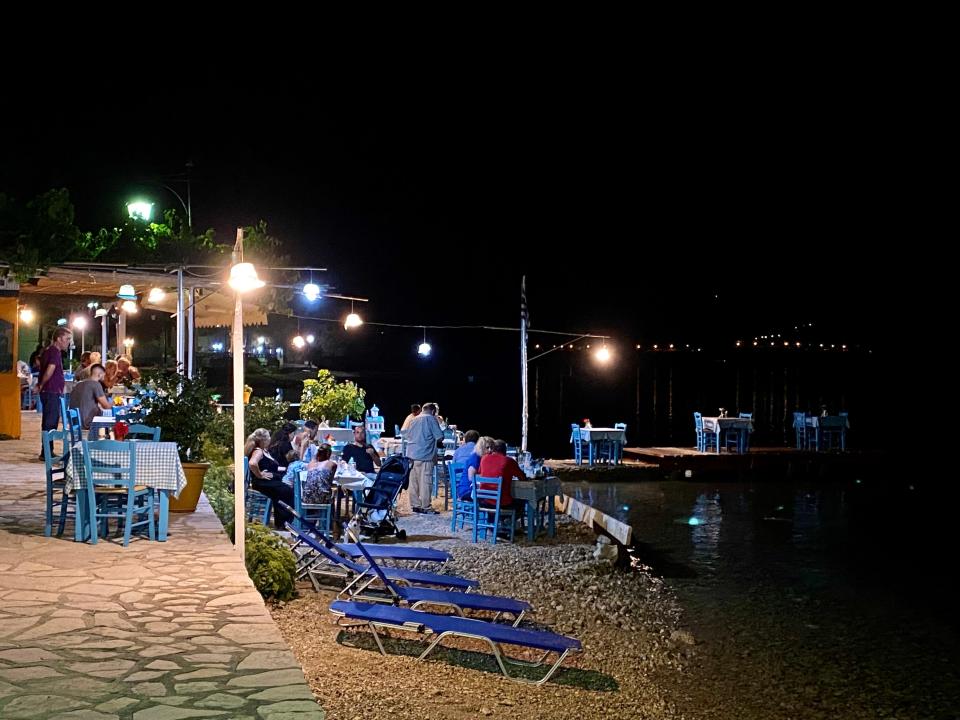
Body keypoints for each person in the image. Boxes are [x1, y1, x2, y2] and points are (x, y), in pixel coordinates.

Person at [245, 428, 294, 528]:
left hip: (268, 481)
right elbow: (252, 463)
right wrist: (260, 474)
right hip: (262, 483)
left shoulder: (264, 451)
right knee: (286, 490)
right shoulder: (258, 451)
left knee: (285, 488)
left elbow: (269, 466)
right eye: (269, 437)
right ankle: (284, 522)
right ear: (264, 440)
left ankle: (283, 521)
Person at [37, 327, 73, 459]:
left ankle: (46, 450)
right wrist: (41, 384)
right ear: (59, 339)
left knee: (49, 421)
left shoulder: (48, 351)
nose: (69, 342)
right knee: (50, 422)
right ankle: (46, 452)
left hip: (49, 390)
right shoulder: (55, 352)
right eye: (67, 339)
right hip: (51, 390)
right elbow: (50, 370)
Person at [403, 402, 444, 513]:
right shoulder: (430, 419)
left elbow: (406, 435)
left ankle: (415, 505)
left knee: (414, 482)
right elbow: (439, 437)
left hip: (411, 456)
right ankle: (425, 507)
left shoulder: (413, 419)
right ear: (433, 411)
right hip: (424, 456)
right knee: (425, 482)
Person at [478, 439, 525, 508]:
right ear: (505, 450)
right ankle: (508, 518)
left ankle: (495, 518)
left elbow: (480, 472)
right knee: (522, 501)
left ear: (493, 449)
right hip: (501, 502)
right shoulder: (509, 461)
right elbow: (522, 477)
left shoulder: (484, 458)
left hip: (484, 500)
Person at [69, 363, 111, 429]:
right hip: (87, 422)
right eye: (104, 374)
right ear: (100, 375)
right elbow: (106, 406)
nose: (104, 377)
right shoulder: (96, 384)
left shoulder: (78, 384)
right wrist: (117, 402)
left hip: (75, 422)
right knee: (111, 420)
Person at [459, 435, 493, 501]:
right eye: (487, 447)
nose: (490, 450)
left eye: (492, 447)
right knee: (493, 497)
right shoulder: (475, 458)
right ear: (481, 448)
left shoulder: (483, 458)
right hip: (468, 491)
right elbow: (471, 478)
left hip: (475, 489)